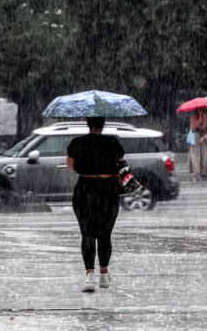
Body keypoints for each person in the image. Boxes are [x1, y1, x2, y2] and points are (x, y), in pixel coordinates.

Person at [66, 117, 125, 292]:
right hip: (108, 190)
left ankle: (89, 275)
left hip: (85, 189)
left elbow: (71, 167)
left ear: (87, 123)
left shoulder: (77, 142)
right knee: (105, 233)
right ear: (103, 123)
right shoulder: (112, 142)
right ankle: (104, 274)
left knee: (87, 233)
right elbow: (121, 164)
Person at [188, 109, 207, 180]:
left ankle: (204, 173)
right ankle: (196, 174)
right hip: (195, 139)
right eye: (200, 111)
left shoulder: (205, 118)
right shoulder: (194, 118)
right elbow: (193, 128)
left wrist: (204, 137)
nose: (202, 112)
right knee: (196, 157)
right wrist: (199, 122)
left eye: (203, 111)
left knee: (205, 156)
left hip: (203, 139)